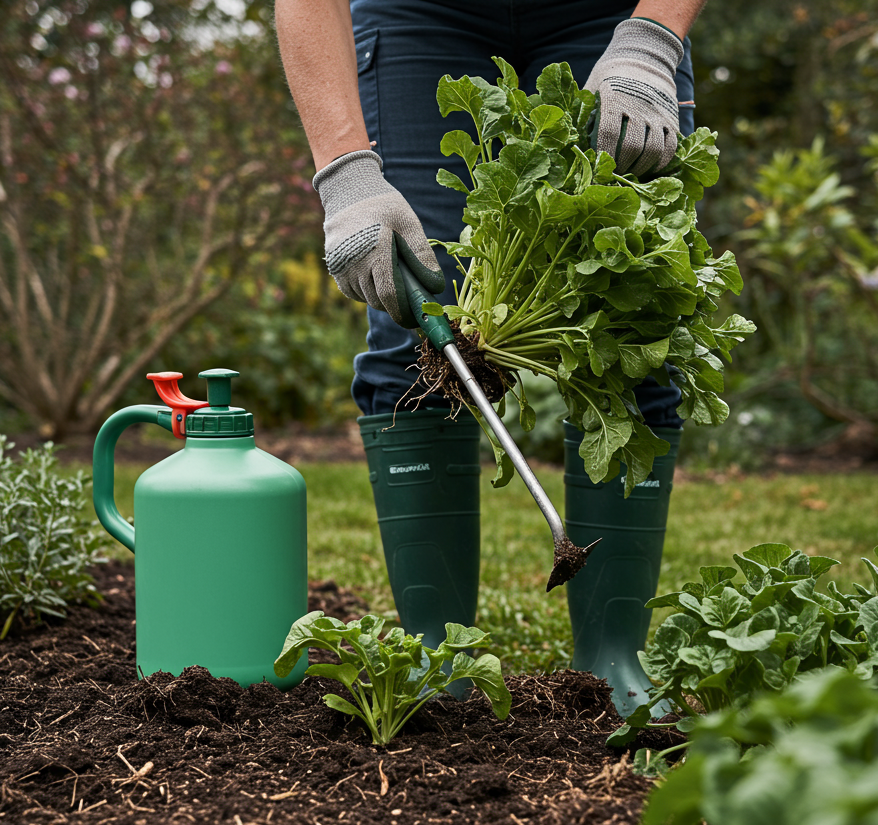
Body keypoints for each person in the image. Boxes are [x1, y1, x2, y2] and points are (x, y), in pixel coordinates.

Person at [275, 0, 707, 716]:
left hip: (609, 12)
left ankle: (612, 658)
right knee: (410, 316)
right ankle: (438, 655)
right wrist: (345, 176)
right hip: (419, 15)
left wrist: (654, 34)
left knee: (637, 311)